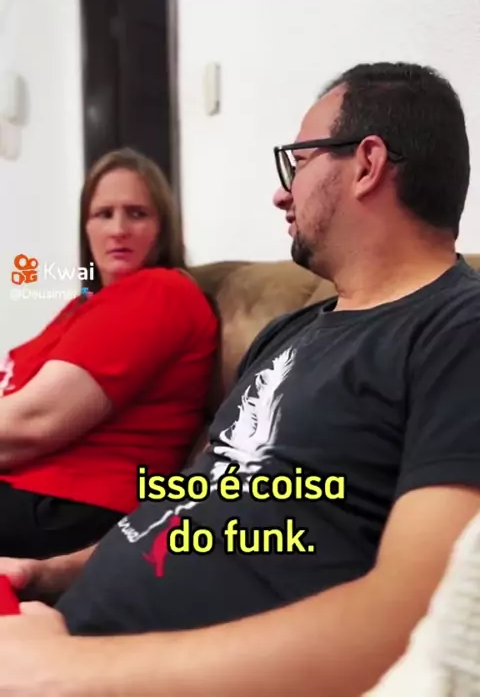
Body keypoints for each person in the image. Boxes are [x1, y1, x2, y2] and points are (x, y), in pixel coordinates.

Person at [0, 61, 480, 697]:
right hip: (61, 637)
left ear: (367, 164)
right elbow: (192, 509)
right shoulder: (289, 332)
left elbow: (422, 621)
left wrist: (58, 672)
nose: (282, 195)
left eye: (297, 163)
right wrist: (49, 573)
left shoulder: (458, 331)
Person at [0, 148, 218, 559]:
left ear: (163, 227)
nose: (118, 229)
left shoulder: (159, 292)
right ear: (86, 227)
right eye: (104, 214)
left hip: (73, 505)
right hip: (30, 491)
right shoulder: (83, 306)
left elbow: (34, 422)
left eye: (137, 214)